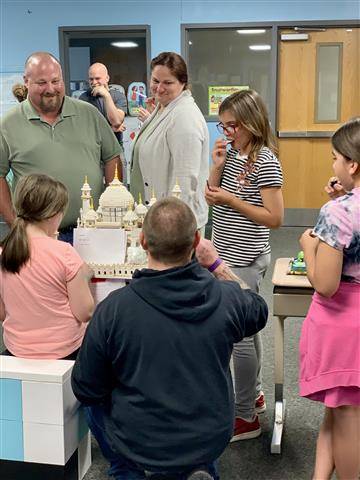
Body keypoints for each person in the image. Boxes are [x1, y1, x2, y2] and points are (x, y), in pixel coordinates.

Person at [71, 197, 268, 480]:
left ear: (142, 241)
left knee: (94, 402)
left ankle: (128, 470)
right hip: (207, 436)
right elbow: (258, 309)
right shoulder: (227, 299)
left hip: (137, 439)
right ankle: (198, 468)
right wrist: (216, 266)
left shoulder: (113, 309)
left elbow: (86, 388)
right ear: (197, 240)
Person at [206, 89, 284, 440]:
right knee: (247, 330)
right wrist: (217, 168)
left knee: (238, 337)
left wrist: (229, 199)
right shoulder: (234, 152)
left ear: (252, 123)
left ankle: (245, 418)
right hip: (225, 251)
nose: (227, 132)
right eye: (223, 126)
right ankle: (252, 397)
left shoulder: (265, 159)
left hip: (245, 257)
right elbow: (211, 194)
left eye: (233, 125)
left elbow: (275, 217)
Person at [0, 52, 121, 243]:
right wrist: (13, 222)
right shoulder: (8, 124)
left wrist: (111, 206)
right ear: (26, 81)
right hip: (37, 237)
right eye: (42, 83)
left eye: (56, 81)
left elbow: (112, 157)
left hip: (91, 231)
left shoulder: (89, 114)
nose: (50, 89)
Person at [299, 117, 360, 480]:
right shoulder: (344, 206)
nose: (333, 165)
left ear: (352, 164)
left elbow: (325, 283)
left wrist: (309, 246)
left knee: (347, 414)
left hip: (343, 325)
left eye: (336, 158)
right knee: (339, 408)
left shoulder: (337, 212)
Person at [0, 174, 94, 359]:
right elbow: (85, 312)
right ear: (53, 214)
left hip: (16, 351)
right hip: (66, 353)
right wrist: (84, 276)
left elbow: (3, 313)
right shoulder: (65, 253)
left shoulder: (3, 253)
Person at [130, 52, 209, 230]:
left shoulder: (184, 116)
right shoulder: (162, 108)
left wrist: (175, 229)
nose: (159, 88)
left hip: (174, 225)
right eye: (155, 81)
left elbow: (186, 180)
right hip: (157, 216)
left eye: (168, 82)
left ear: (183, 83)